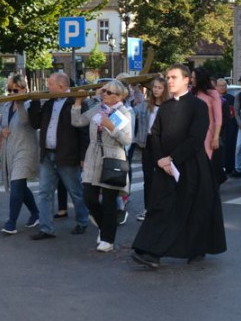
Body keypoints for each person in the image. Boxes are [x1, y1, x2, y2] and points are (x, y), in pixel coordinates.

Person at [132, 65, 226, 268]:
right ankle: (150, 251)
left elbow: (195, 138)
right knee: (160, 208)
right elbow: (155, 134)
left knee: (193, 210)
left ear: (186, 80)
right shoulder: (165, 107)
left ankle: (195, 249)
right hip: (165, 167)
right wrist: (160, 159)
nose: (170, 81)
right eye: (168, 77)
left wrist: (172, 158)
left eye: (174, 77)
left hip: (191, 166)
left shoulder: (198, 106)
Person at [72, 79, 133, 252]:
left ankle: (108, 239)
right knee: (89, 197)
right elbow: (78, 122)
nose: (104, 94)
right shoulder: (98, 109)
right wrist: (77, 103)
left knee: (108, 201)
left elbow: (127, 139)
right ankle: (103, 226)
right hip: (93, 156)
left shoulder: (124, 113)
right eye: (103, 91)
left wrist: (111, 127)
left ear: (119, 96)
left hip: (112, 157)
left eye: (108, 92)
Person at [28, 71, 91, 240]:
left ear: (61, 86)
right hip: (48, 155)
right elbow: (35, 123)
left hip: (68, 155)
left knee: (76, 191)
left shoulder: (77, 102)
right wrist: (34, 103)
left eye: (50, 84)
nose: (47, 87)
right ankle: (46, 228)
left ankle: (82, 221)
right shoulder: (49, 103)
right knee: (44, 192)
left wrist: (83, 156)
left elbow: (84, 132)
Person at [0, 72, 40, 235]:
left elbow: (24, 121)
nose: (12, 93)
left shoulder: (29, 104)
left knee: (16, 184)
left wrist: (20, 103)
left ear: (23, 89)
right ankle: (35, 212)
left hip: (26, 150)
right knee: (20, 185)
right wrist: (2, 130)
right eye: (10, 90)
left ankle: (11, 222)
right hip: (10, 150)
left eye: (16, 90)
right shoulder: (6, 105)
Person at [136, 76, 168, 221]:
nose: (156, 90)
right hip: (147, 141)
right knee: (148, 177)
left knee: (163, 177)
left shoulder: (169, 106)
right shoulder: (145, 104)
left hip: (162, 143)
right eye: (154, 87)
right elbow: (132, 112)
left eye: (160, 87)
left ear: (165, 89)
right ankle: (147, 208)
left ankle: (162, 207)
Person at [192, 67, 225, 185]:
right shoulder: (192, 93)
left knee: (206, 162)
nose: (192, 80)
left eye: (194, 78)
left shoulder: (213, 94)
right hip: (192, 133)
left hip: (208, 134)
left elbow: (218, 117)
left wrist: (215, 137)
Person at [217, 78, 239, 176]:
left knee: (230, 146)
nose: (222, 87)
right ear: (216, 87)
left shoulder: (231, 98)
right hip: (218, 126)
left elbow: (234, 113)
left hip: (230, 125)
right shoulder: (214, 98)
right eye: (220, 85)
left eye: (224, 85)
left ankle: (230, 167)